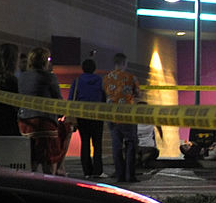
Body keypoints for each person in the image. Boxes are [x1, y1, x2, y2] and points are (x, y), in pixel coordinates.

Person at [16, 47, 64, 174]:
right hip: (45, 122)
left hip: (25, 122)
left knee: (31, 158)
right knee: (49, 158)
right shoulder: (50, 77)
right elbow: (58, 100)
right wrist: (61, 113)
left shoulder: (22, 77)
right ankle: (51, 179)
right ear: (44, 61)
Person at [102, 52, 142, 183]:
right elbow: (138, 94)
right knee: (131, 144)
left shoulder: (106, 78)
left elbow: (103, 95)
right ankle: (130, 175)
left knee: (116, 146)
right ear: (124, 63)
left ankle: (120, 175)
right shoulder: (131, 77)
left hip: (112, 116)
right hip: (127, 116)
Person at [69, 57, 106, 178]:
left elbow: (71, 99)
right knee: (97, 144)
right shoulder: (100, 80)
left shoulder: (77, 81)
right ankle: (98, 171)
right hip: (97, 115)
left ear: (83, 69)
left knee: (85, 143)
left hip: (82, 116)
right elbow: (104, 97)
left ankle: (87, 171)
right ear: (94, 69)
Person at [135, 102, 163, 169]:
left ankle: (139, 158)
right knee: (155, 152)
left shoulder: (133, 120)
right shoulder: (152, 119)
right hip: (148, 148)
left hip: (139, 148)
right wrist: (162, 139)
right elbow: (159, 129)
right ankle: (142, 159)